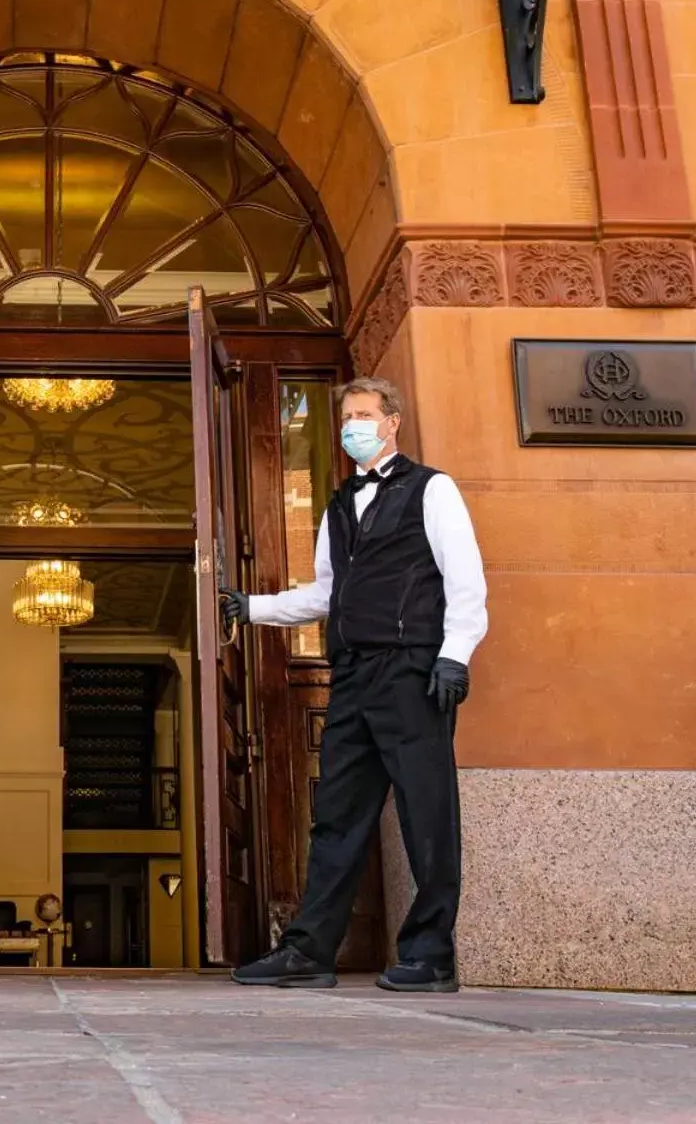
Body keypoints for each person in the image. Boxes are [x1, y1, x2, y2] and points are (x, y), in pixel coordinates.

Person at [223, 376, 487, 993]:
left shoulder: (433, 489)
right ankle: (309, 950)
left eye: (365, 414)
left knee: (427, 814)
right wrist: (253, 607)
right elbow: (325, 593)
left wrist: (454, 656)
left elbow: (466, 578)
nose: (353, 426)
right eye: (346, 416)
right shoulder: (338, 505)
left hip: (414, 672)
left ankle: (431, 956)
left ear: (392, 422)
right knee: (336, 816)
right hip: (353, 677)